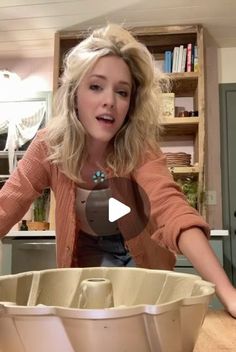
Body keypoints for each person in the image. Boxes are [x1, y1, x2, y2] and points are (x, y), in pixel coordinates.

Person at [0, 24, 235, 317]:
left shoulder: (139, 148)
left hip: (143, 254)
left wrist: (228, 293)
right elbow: (7, 204)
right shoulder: (49, 145)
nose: (109, 101)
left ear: (130, 104)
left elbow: (172, 209)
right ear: (74, 94)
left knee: (142, 325)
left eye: (122, 92)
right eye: (96, 86)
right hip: (87, 253)